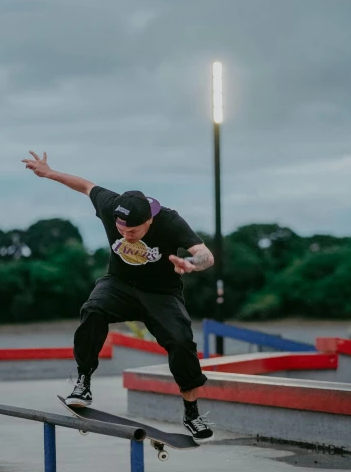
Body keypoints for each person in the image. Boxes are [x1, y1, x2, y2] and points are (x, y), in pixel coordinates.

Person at [23, 151, 215, 442]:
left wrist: (191, 264)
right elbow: (86, 185)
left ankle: (191, 412)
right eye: (120, 229)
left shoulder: (170, 221)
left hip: (161, 293)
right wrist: (49, 172)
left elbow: (206, 255)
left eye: (133, 230)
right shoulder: (111, 204)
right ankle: (84, 381)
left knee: (181, 342)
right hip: (120, 284)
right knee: (93, 310)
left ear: (149, 221)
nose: (125, 234)